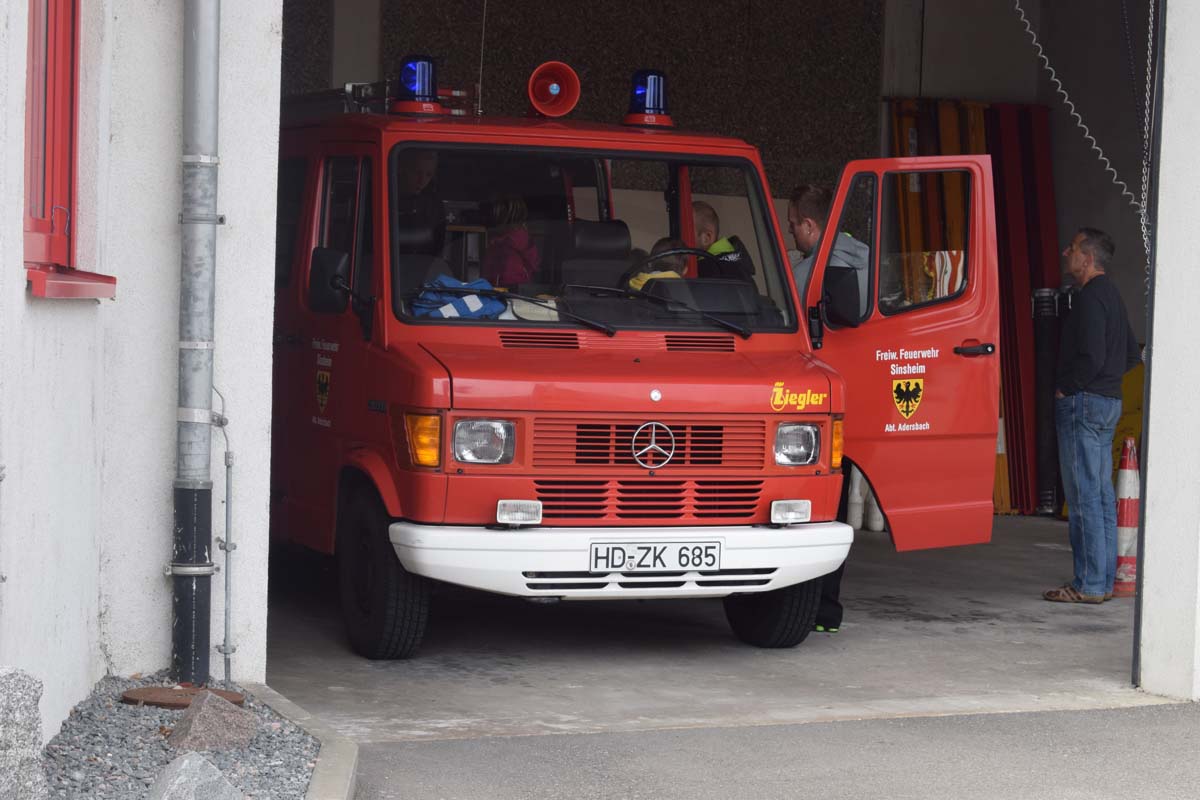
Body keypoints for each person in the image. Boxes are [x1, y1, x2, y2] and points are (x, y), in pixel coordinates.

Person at [1043, 228, 1140, 604]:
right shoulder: (1112, 295)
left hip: (1083, 403)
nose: (1066, 252)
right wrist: (1105, 381)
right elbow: (1130, 354)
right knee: (1099, 495)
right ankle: (1103, 580)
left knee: (1084, 496)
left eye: (1072, 248)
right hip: (1107, 401)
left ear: (1087, 258)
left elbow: (1094, 356)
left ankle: (1089, 584)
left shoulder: (1088, 299)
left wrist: (1069, 387)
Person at [786, 184, 870, 317]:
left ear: (808, 226)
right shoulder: (870, 260)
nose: (790, 230)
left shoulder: (803, 276)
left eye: (792, 224)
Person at [481, 196, 541, 287]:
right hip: (494, 290)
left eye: (496, 217)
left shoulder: (511, 243)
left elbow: (510, 279)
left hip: (510, 291)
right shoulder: (500, 241)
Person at [691, 201, 755, 281]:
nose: (682, 242)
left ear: (706, 238)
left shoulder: (706, 270)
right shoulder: (739, 266)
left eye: (688, 234)